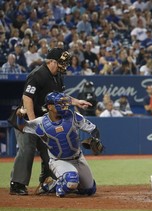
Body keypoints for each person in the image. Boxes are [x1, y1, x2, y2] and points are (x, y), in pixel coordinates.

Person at [9, 48, 92, 196]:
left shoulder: (57, 76)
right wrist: (34, 121)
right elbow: (27, 98)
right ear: (51, 61)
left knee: (50, 153)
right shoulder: (37, 75)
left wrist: (77, 102)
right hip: (27, 120)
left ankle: (46, 181)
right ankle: (17, 184)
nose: (63, 65)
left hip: (46, 122)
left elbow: (61, 97)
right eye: (61, 62)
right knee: (27, 150)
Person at [16, 92, 100, 197]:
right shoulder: (41, 123)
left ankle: (65, 183)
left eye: (64, 103)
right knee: (71, 180)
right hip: (59, 160)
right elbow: (22, 127)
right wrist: (19, 116)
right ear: (50, 106)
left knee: (90, 190)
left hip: (78, 158)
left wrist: (95, 139)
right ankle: (51, 185)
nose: (64, 105)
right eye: (60, 103)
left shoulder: (73, 116)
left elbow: (93, 129)